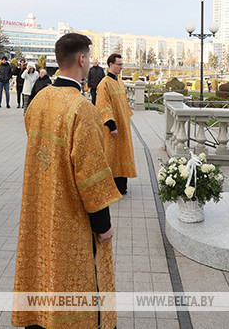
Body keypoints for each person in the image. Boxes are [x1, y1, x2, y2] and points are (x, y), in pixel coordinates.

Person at [12, 33, 121, 329]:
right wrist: (103, 224)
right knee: (75, 276)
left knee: (43, 269)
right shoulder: (82, 108)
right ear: (82, 60)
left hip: (41, 204)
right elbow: (92, 175)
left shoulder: (40, 98)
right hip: (71, 214)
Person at [96, 54, 137, 194]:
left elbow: (124, 104)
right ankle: (109, 186)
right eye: (119, 64)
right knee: (111, 155)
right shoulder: (104, 84)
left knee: (122, 153)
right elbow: (103, 105)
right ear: (110, 65)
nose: (121, 67)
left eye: (122, 64)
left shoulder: (119, 82)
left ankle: (121, 186)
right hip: (112, 128)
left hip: (123, 126)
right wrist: (111, 125)